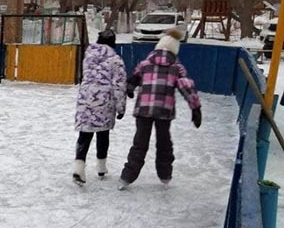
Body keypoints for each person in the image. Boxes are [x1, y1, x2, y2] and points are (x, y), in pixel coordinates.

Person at [119, 28, 202, 189]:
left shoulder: (145, 64)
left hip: (143, 110)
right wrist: (195, 108)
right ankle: (165, 175)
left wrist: (129, 87)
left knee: (139, 143)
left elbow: (133, 78)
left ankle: (126, 177)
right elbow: (187, 87)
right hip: (164, 111)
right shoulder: (176, 68)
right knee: (164, 143)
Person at [73, 29, 127, 185]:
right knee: (103, 134)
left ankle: (78, 167)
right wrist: (121, 107)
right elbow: (119, 85)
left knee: (85, 134)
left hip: (85, 99)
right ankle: (101, 167)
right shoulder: (116, 60)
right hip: (104, 101)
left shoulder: (88, 56)